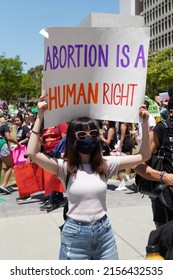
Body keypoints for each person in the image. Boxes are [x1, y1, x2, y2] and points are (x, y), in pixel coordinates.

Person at [26, 95, 150, 260]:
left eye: (93, 133)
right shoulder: (64, 167)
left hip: (104, 233)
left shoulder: (106, 164)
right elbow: (32, 153)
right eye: (82, 135)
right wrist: (40, 117)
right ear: (73, 139)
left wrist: (144, 123)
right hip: (75, 236)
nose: (89, 138)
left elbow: (144, 155)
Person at [135, 98, 173, 227]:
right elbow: (138, 164)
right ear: (171, 112)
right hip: (167, 203)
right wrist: (164, 177)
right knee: (166, 244)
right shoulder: (163, 129)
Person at [0, 111, 20, 194]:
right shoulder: (4, 125)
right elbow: (8, 137)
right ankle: (3, 185)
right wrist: (17, 143)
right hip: (2, 145)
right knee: (10, 165)